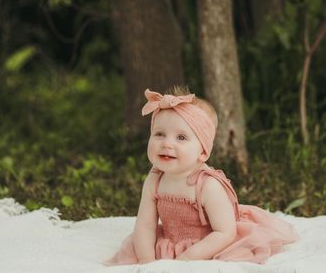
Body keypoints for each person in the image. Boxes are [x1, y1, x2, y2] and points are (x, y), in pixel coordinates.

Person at [104, 87, 298, 265]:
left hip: (212, 243)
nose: (166, 144)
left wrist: (187, 258)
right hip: (172, 243)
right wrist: (148, 262)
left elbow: (225, 232)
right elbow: (145, 225)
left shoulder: (207, 185)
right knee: (136, 246)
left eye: (181, 137)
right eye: (159, 134)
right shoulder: (155, 179)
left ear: (203, 152)